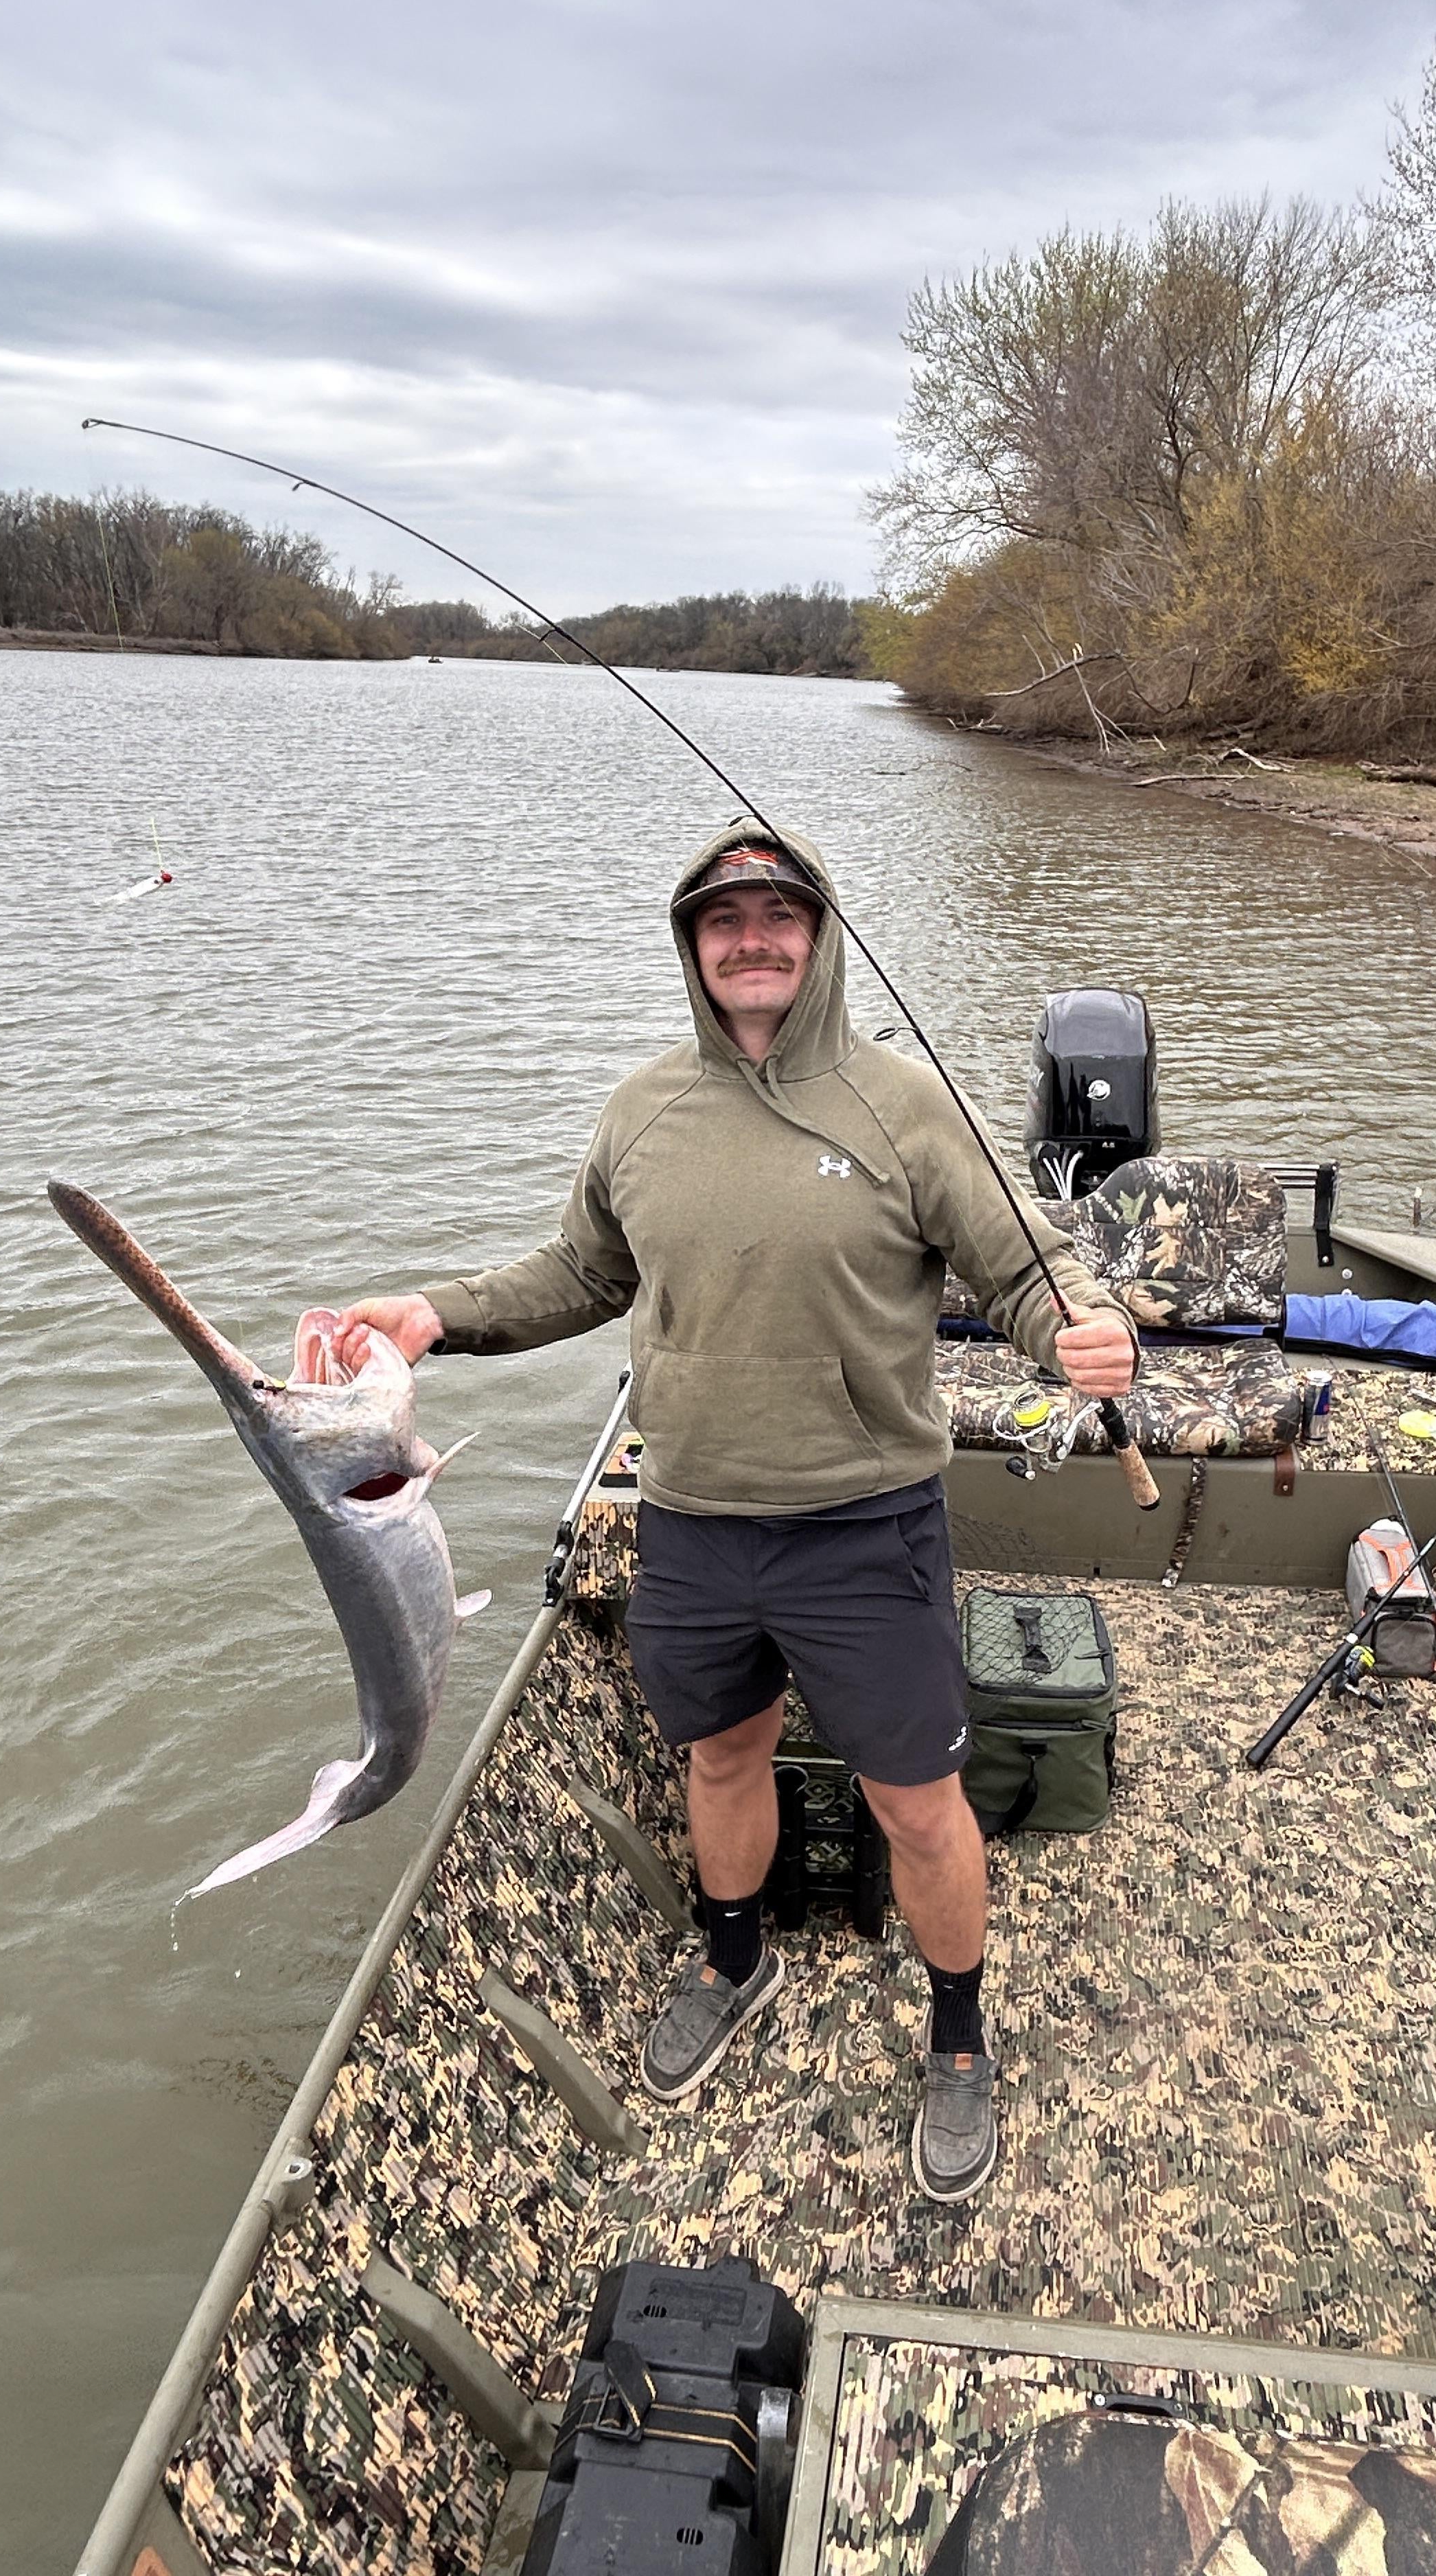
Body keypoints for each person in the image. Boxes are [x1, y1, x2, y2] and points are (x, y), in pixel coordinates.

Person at [334, 818, 1136, 2202]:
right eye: (723, 920)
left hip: (864, 1527)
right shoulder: (643, 1111)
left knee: (920, 1804)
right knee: (721, 1760)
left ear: (818, 939)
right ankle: (733, 1956)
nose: (751, 939)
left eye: (778, 916)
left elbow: (1024, 1270)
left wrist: (1084, 1325)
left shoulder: (904, 1106)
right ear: (692, 946)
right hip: (693, 1521)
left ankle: (957, 2035)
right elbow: (583, 1274)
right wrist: (434, 1315)